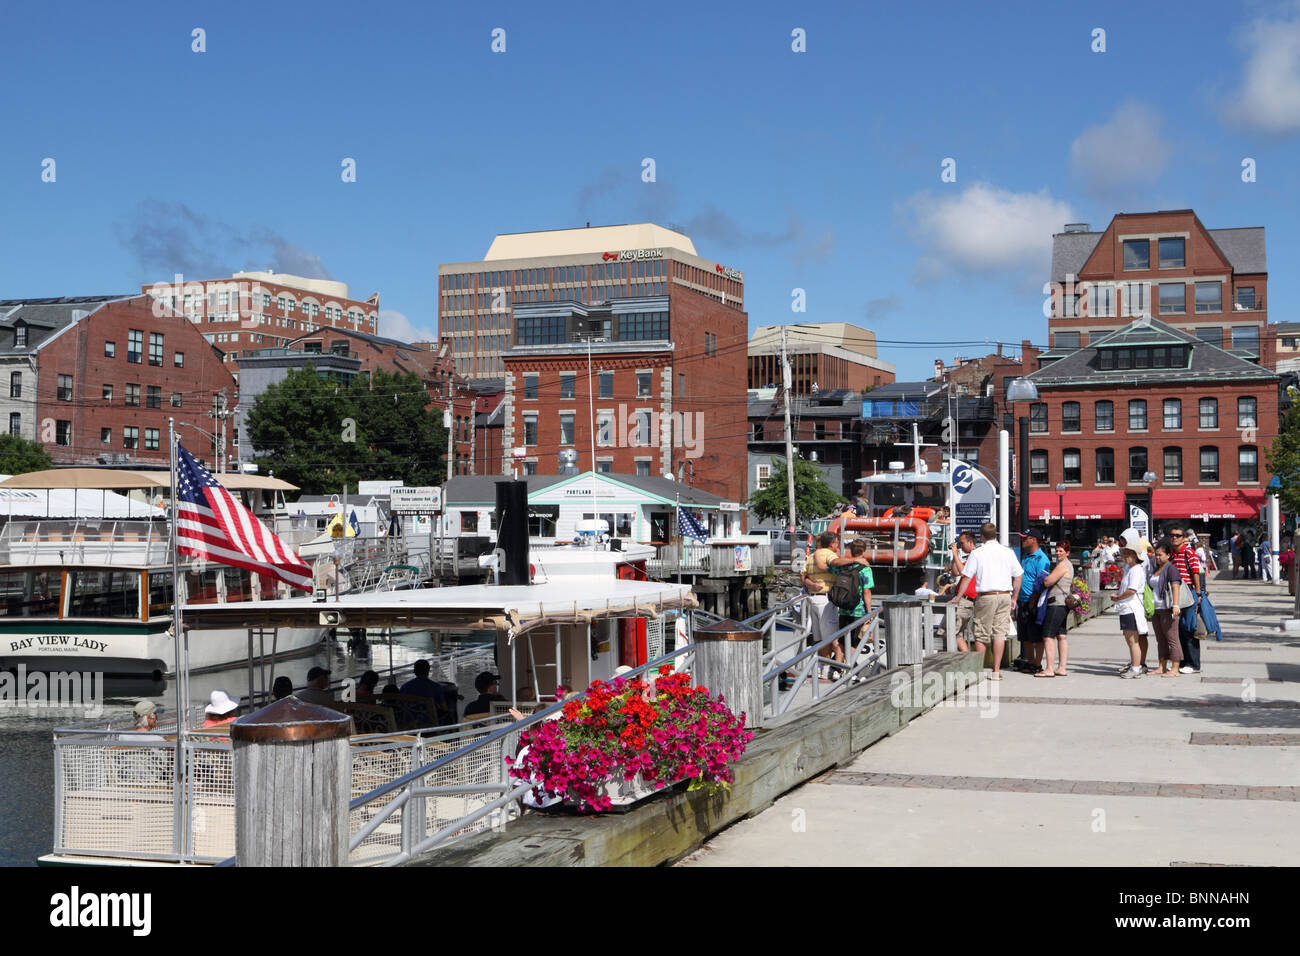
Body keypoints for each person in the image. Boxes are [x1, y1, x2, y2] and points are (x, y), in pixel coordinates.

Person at [953, 522, 1023, 680]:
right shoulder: (1008, 552)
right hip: (1005, 594)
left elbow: (966, 576)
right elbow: (1018, 576)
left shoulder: (978, 553)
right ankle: (996, 671)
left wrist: (958, 597)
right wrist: (1014, 597)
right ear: (995, 535)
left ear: (982, 536)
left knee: (981, 634)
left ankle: (978, 672)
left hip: (987, 596)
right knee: (999, 633)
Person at [801, 530, 870, 679]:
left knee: (819, 637)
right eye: (837, 543)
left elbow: (803, 576)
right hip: (828, 601)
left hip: (813, 599)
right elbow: (836, 563)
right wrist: (855, 560)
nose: (838, 547)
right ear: (832, 543)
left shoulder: (812, 555)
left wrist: (812, 584)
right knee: (834, 638)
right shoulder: (828, 554)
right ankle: (835, 670)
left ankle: (822, 667)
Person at [1035, 540, 1074, 677]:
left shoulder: (1063, 565)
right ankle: (1062, 667)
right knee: (1061, 636)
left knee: (1048, 635)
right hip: (1063, 604)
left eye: (1061, 551)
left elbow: (1048, 581)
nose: (1057, 553)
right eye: (1056, 550)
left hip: (1056, 603)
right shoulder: (1067, 565)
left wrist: (1044, 577)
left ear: (1067, 553)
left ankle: (1049, 668)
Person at [1014, 529, 1051, 673]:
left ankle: (1037, 663)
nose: (1023, 541)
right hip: (1022, 600)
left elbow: (1041, 580)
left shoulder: (1041, 559)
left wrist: (1033, 600)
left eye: (1026, 538)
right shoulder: (1025, 557)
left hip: (1033, 601)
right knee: (1025, 635)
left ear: (1034, 540)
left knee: (1036, 634)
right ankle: (1030, 661)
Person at [1169, 526, 1203, 674]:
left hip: (1188, 591)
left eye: (1178, 535)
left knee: (1189, 628)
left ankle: (1193, 663)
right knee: (1178, 629)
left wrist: (1198, 592)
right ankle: (1181, 662)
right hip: (1175, 593)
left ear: (1184, 538)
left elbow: (1196, 572)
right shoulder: (1172, 554)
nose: (1175, 538)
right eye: (1172, 535)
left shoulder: (1189, 552)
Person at [1148, 538, 1183, 678]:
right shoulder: (1156, 569)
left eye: (1160, 554)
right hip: (1156, 608)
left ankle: (1175, 668)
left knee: (1172, 638)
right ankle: (1161, 666)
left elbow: (1176, 586)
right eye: (1156, 554)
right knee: (1160, 639)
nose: (1157, 557)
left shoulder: (1171, 568)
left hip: (1168, 608)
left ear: (1168, 555)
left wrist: (1176, 605)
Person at [836, 538, 875, 658]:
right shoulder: (865, 569)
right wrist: (870, 613)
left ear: (851, 551)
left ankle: (837, 669)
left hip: (843, 609)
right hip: (858, 611)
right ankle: (849, 672)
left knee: (841, 642)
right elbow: (867, 591)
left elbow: (831, 566)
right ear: (863, 551)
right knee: (854, 643)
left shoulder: (844, 567)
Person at [1115, 548, 1149, 679]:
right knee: (1131, 639)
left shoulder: (1135, 570)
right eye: (1124, 554)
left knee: (1133, 640)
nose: (1125, 557)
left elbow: (1132, 590)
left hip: (1131, 607)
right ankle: (1135, 665)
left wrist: (1118, 597)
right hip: (1127, 607)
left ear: (1135, 555)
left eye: (1128, 554)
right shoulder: (1131, 569)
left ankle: (1136, 668)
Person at [946, 531, 979, 652]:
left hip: (966, 600)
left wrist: (955, 554)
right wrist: (955, 556)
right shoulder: (969, 557)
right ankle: (966, 658)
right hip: (962, 599)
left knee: (951, 631)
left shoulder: (976, 556)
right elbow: (955, 572)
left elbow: (963, 572)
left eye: (962, 543)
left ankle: (968, 658)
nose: (961, 545)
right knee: (952, 632)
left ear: (970, 543)